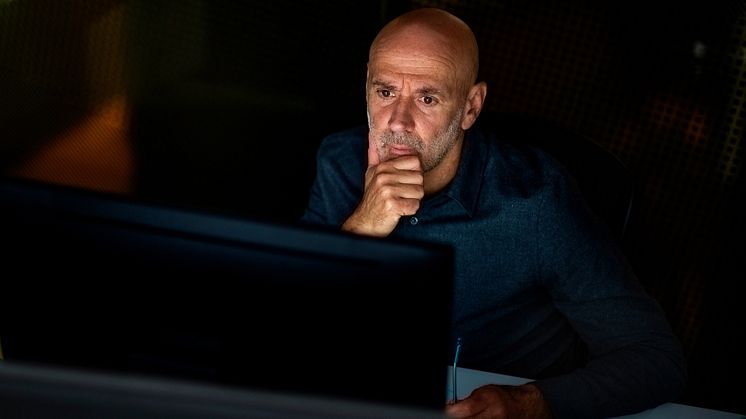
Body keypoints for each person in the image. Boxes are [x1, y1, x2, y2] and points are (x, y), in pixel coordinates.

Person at [300, 7, 686, 419]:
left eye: (427, 98)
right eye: (385, 92)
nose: (398, 121)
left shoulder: (536, 201)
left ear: (470, 107)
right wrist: (360, 230)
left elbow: (657, 358)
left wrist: (531, 404)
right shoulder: (339, 162)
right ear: (366, 89)